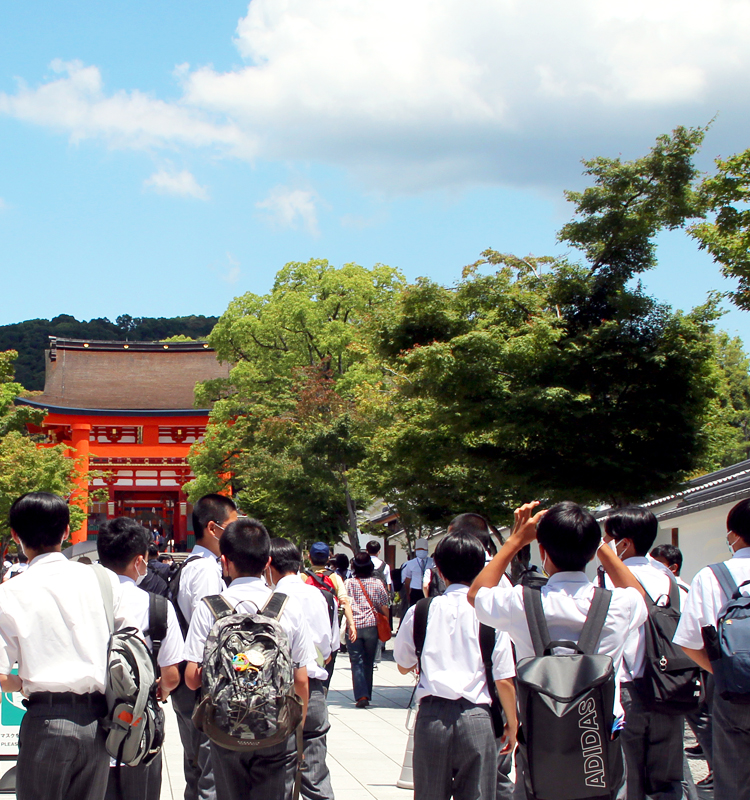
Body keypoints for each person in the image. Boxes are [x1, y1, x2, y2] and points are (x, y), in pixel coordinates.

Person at [468, 501, 649, 800]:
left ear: (543, 551)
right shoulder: (618, 605)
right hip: (598, 745)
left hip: (540, 743)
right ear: (592, 552)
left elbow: (476, 594)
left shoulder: (520, 602)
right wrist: (601, 546)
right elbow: (639, 595)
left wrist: (515, 541)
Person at [0, 492, 135, 800]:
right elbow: (131, 644)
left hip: (45, 721)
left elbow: (1, 676)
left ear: (16, 535)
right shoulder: (104, 580)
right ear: (65, 531)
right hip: (97, 722)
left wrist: (22, 683)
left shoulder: (10, 593)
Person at [183, 518, 315, 800]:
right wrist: (296, 726)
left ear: (224, 561)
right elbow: (301, 680)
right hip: (275, 728)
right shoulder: (287, 607)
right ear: (267, 562)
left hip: (225, 729)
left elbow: (192, 679)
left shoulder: (209, 608)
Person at [394, 530, 517, 800]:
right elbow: (504, 678)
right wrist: (512, 722)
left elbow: (403, 664)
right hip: (477, 717)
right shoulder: (490, 615)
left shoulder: (420, 611)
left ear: (438, 570)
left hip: (432, 717)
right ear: (480, 568)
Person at [97, 517, 185, 800]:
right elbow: (171, 676)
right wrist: (160, 690)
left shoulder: (82, 601)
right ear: (139, 561)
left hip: (91, 719)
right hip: (139, 723)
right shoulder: (158, 606)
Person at [673, 497, 750, 800]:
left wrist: (725, 672)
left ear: (733, 534)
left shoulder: (712, 575)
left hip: (732, 691)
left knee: (733, 780)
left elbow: (689, 642)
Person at [172, 493, 238, 800]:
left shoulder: (195, 564)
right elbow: (211, 630)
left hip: (192, 685)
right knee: (208, 772)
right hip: (201, 685)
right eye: (232, 526)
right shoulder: (206, 570)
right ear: (213, 528)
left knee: (198, 767)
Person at [268, 538, 335, 800]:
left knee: (278, 776)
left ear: (269, 564)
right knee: (315, 774)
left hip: (278, 693)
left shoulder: (270, 599)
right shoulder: (320, 595)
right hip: (314, 688)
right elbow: (329, 648)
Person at [344, 551, 390, 707]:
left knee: (356, 661)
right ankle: (367, 693)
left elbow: (345, 604)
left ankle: (361, 695)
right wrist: (386, 621)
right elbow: (384, 605)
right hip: (371, 625)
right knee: (369, 662)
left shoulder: (349, 583)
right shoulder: (378, 583)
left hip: (354, 626)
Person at [306, 542, 356, 683]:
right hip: (329, 630)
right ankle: (323, 689)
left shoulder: (302, 577)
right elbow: (344, 602)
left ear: (309, 557)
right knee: (327, 670)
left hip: (306, 630)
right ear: (328, 558)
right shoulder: (335, 577)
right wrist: (351, 624)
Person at [401, 540, 433, 608]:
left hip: (429, 590)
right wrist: (408, 594)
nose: (422, 551)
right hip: (415, 591)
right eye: (419, 549)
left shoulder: (433, 562)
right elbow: (408, 580)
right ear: (415, 550)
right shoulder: (410, 563)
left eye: (424, 549)